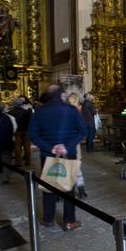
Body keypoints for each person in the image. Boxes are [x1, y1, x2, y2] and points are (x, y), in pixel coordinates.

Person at [28, 85, 87, 230]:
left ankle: (48, 219)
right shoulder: (71, 110)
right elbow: (82, 131)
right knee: (68, 188)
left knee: (49, 186)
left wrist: (51, 148)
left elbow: (33, 135)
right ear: (62, 95)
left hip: (47, 154)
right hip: (68, 153)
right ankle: (69, 220)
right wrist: (66, 146)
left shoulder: (39, 111)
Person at [66, 93, 88, 199]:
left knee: (66, 167)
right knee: (77, 168)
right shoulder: (77, 112)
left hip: (65, 143)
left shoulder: (64, 112)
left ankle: (68, 190)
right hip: (74, 144)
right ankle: (81, 189)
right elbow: (82, 130)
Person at [8, 97, 32, 166]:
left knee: (17, 147)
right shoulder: (26, 112)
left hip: (17, 131)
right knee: (27, 146)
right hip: (26, 130)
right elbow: (30, 121)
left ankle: (18, 162)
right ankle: (28, 161)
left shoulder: (10, 112)